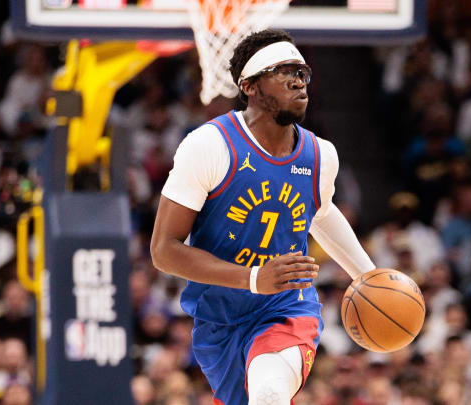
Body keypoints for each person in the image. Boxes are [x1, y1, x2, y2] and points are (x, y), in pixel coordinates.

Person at [150, 29, 375, 405]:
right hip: (220, 320)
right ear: (250, 86)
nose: (298, 82)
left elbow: (321, 211)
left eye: (302, 73)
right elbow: (163, 250)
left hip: (287, 306)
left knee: (269, 391)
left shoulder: (321, 156)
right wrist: (253, 279)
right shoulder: (210, 146)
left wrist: (368, 277)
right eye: (284, 72)